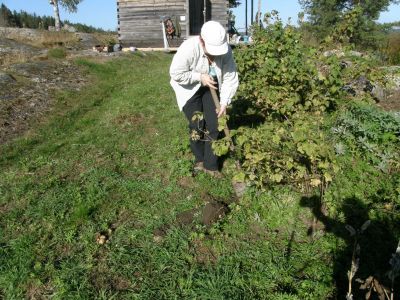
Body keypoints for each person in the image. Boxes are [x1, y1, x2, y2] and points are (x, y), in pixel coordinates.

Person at [170, 21, 239, 177]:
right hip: (188, 87)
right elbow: (176, 74)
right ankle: (199, 159)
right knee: (197, 124)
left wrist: (224, 102)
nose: (215, 54)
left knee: (214, 125)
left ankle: (211, 166)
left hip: (211, 86)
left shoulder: (226, 51)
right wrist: (199, 77)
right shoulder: (189, 48)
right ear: (201, 40)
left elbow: (230, 77)